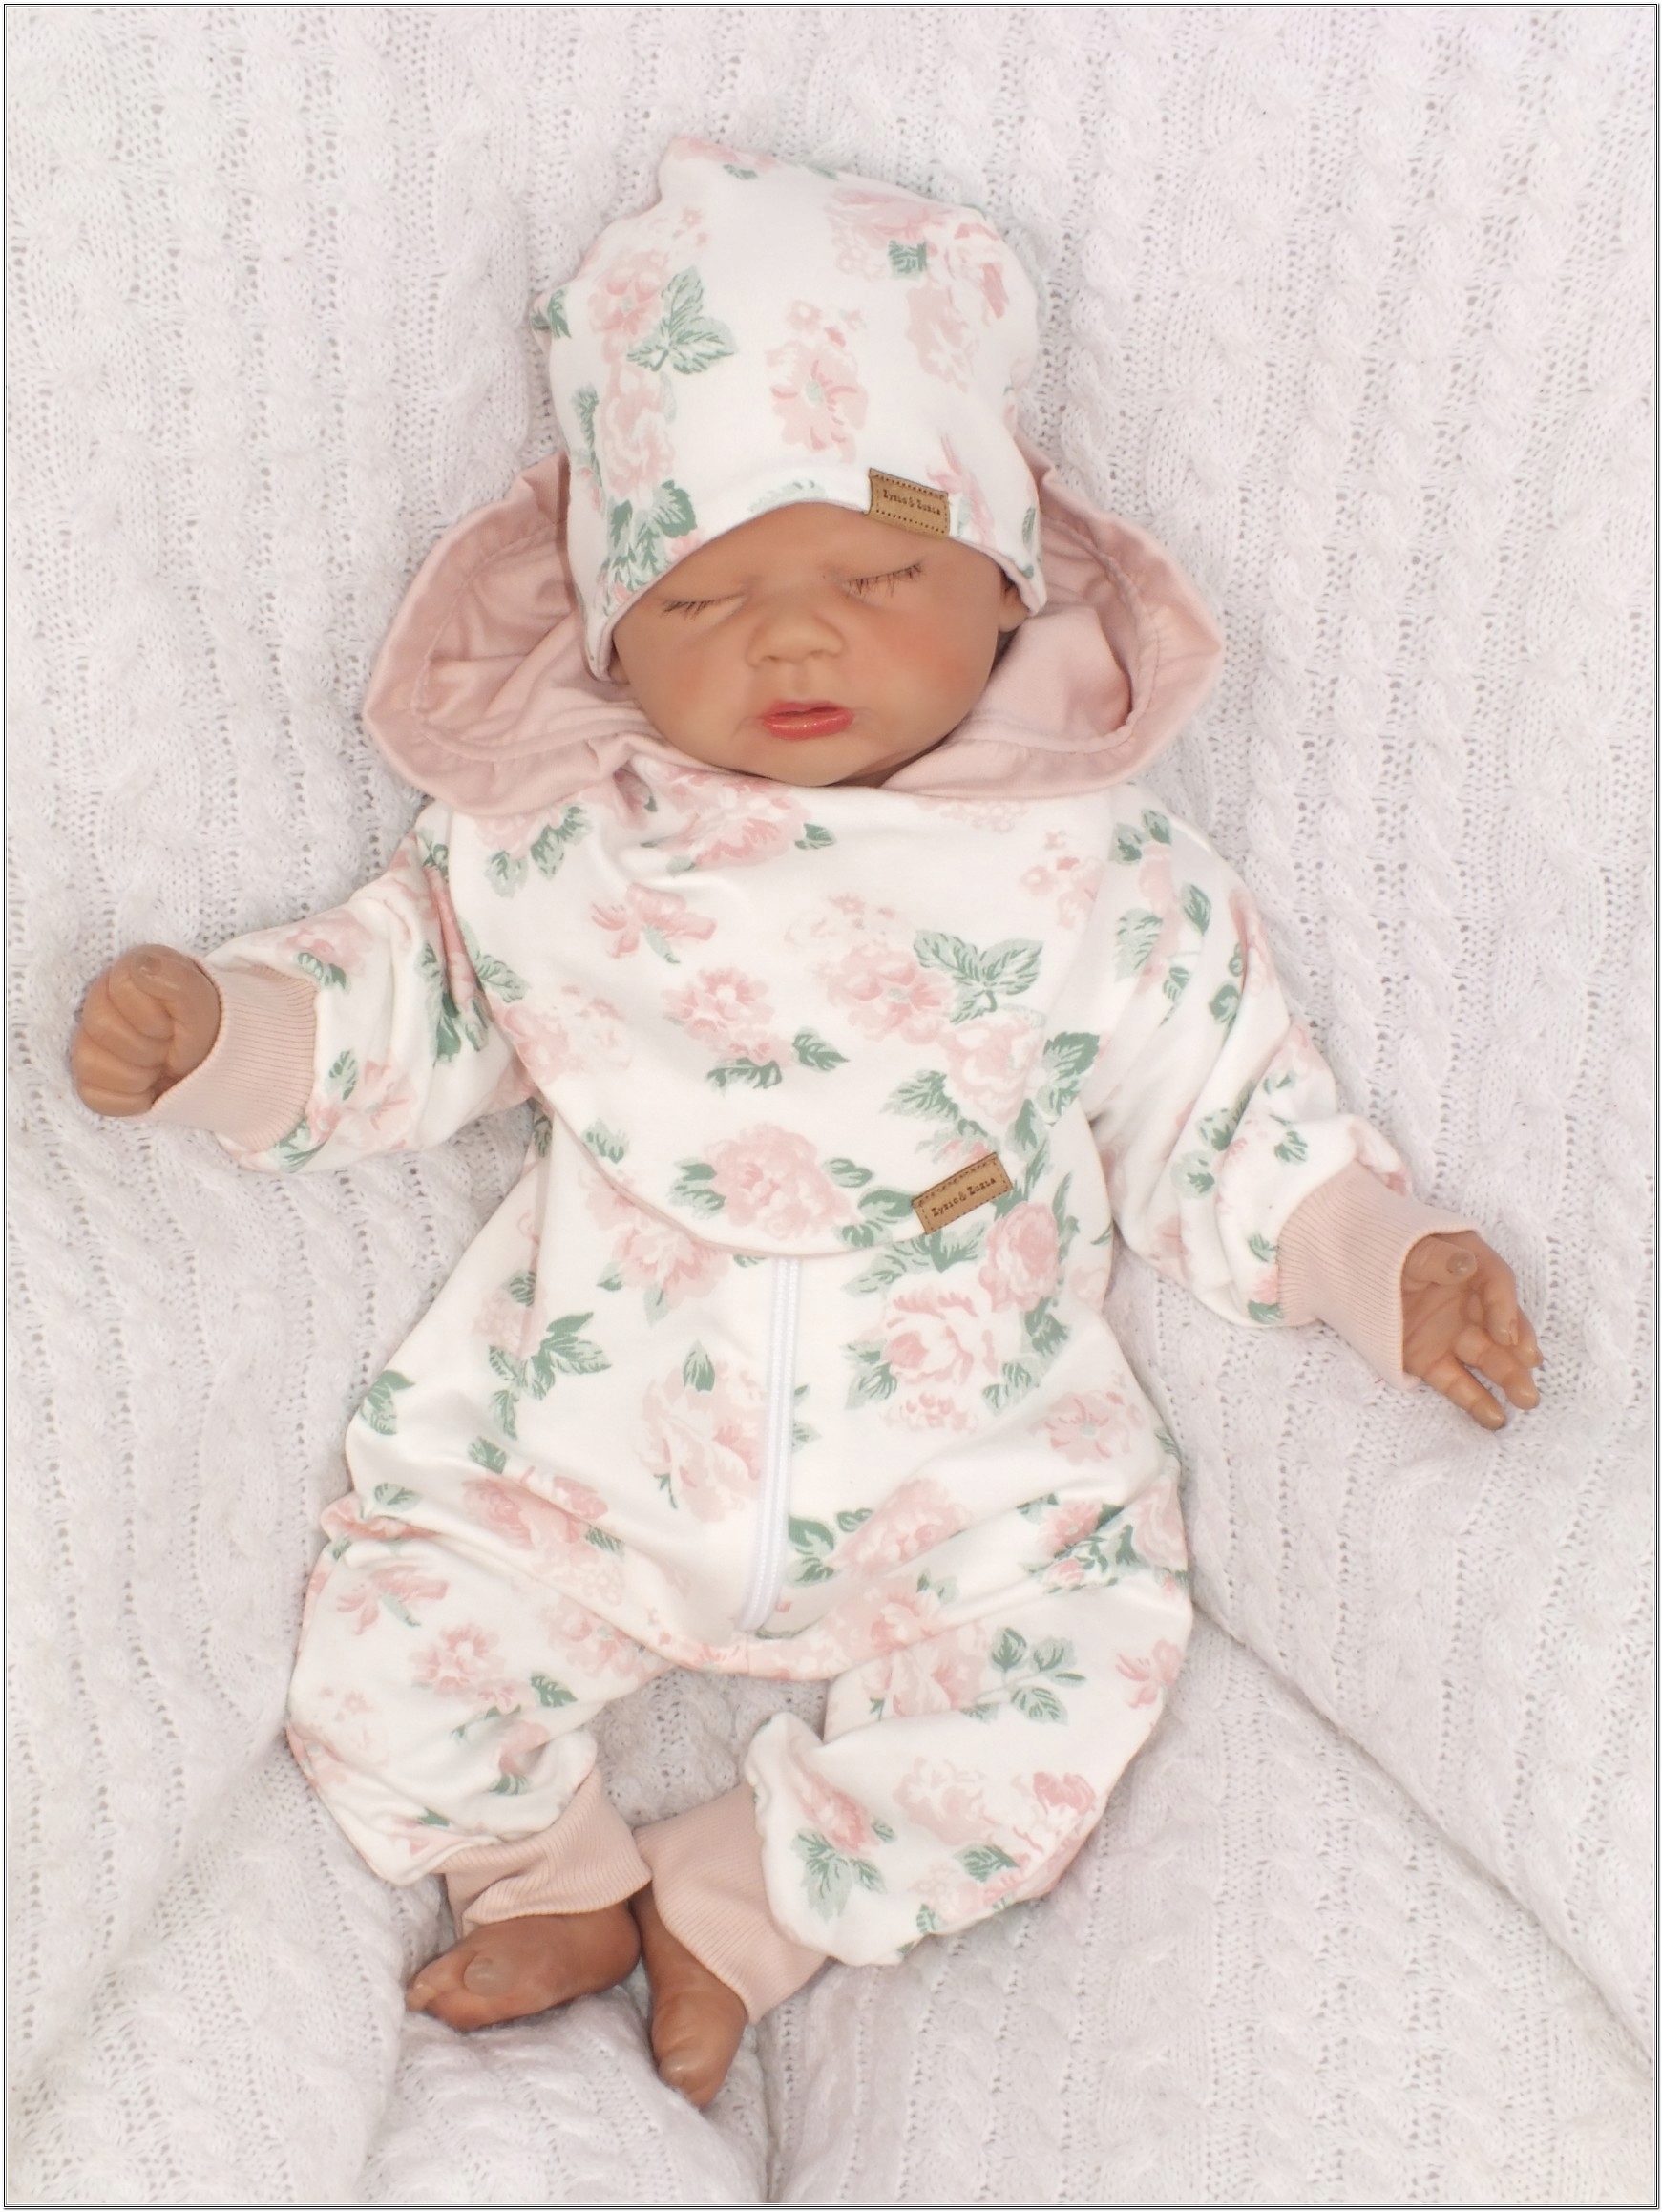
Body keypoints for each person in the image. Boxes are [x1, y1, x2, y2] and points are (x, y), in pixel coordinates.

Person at [68, 140, 1541, 2109]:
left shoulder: (1085, 861)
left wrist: (1381, 1255)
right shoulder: (563, 842)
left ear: (1003, 586)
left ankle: (746, 1898)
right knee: (389, 1645)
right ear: (610, 628)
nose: (787, 637)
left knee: (1081, 1672)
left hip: (974, 1469)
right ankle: (546, 1871)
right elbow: (407, 1001)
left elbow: (1218, 1095)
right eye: (702, 589)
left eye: (872, 574)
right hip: (583, 1441)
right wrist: (228, 1032)